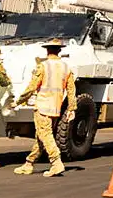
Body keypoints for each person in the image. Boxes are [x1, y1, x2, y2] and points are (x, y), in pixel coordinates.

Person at [12, 38, 78, 177]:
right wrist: (72, 108)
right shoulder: (66, 68)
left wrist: (19, 101)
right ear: (59, 51)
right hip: (55, 107)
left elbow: (32, 86)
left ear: (47, 51)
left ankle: (56, 162)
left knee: (45, 135)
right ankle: (29, 163)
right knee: (41, 137)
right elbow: (71, 90)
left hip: (42, 106)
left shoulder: (43, 66)